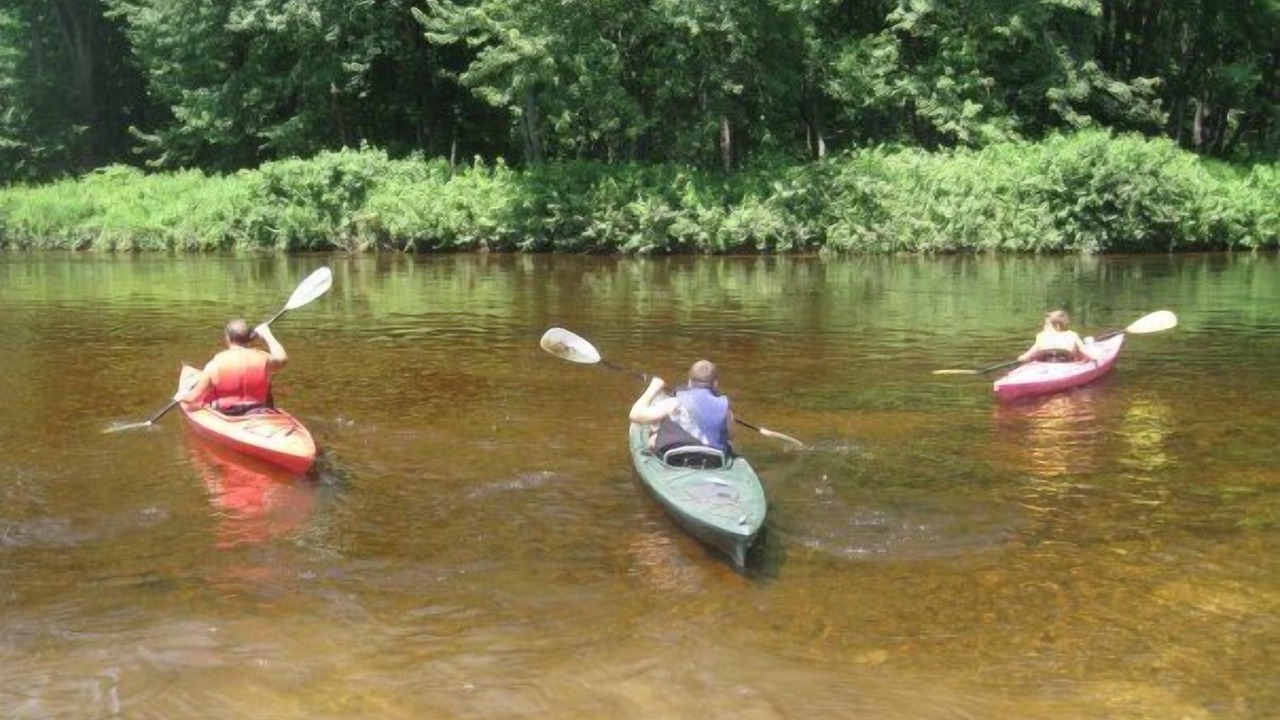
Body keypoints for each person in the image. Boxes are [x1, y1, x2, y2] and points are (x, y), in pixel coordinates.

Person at [176, 319, 288, 415]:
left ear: (228, 338)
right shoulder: (264, 360)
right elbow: (282, 358)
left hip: (228, 414)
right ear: (249, 338)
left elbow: (194, 399)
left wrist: (181, 397)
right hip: (259, 411)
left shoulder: (214, 365)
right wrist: (267, 334)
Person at [629, 359, 733, 458]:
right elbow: (730, 436)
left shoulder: (675, 402)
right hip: (713, 459)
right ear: (715, 384)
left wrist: (654, 387)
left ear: (689, 382)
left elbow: (635, 415)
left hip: (675, 458)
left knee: (654, 437)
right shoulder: (725, 408)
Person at [1018, 310, 1099, 364]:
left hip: (1046, 363)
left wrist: (1022, 358)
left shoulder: (1041, 336)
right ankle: (1090, 344)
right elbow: (1083, 349)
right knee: (1078, 350)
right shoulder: (1072, 335)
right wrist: (1094, 358)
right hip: (1067, 364)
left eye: (1047, 324)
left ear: (1057, 326)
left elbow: (1030, 353)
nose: (1044, 326)